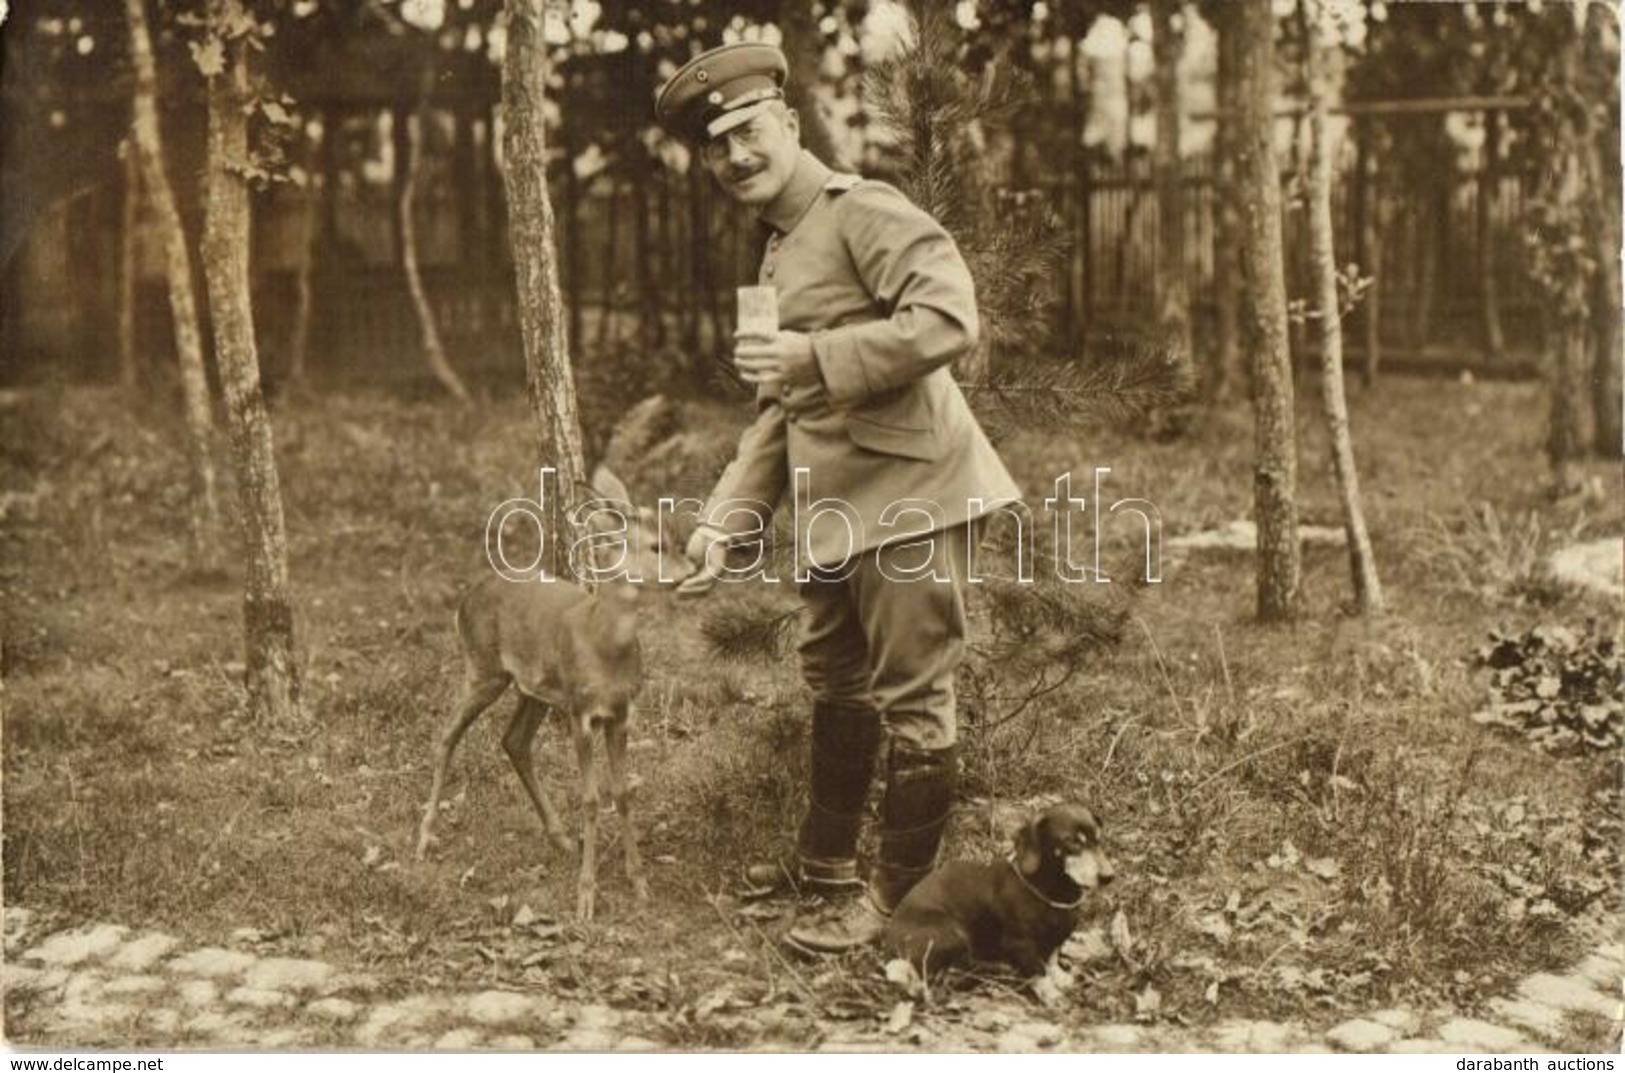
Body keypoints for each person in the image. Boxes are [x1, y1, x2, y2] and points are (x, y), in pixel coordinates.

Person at [655, 42, 1022, 953]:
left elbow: (947, 319)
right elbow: (777, 417)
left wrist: (817, 355)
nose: (735, 156)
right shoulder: (780, 252)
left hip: (912, 497)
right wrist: (720, 527)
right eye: (716, 148)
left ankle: (904, 908)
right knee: (836, 681)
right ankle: (825, 866)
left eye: (746, 132)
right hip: (838, 512)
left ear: (786, 122)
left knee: (914, 700)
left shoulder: (862, 210)